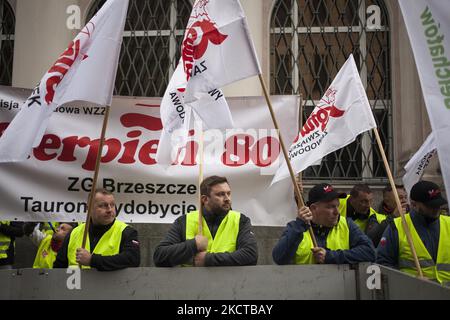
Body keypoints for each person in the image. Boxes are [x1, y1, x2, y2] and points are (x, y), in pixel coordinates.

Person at [153, 175, 258, 267]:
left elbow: (251, 255)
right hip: (190, 287)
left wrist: (208, 260)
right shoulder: (184, 221)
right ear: (205, 199)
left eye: (228, 193)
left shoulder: (240, 221)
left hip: (230, 287)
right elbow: (159, 257)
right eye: (220, 194)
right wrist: (193, 245)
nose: (227, 199)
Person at [272, 183, 376, 265]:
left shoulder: (346, 224)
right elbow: (279, 258)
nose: (337, 212)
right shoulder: (297, 228)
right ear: (313, 208)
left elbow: (370, 252)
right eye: (330, 207)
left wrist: (330, 256)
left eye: (337, 206)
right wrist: (299, 226)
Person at [377, 180, 450, 285]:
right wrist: (412, 281)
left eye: (438, 204)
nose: (436, 209)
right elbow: (383, 265)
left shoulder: (448, 223)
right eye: (430, 205)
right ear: (414, 205)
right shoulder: (397, 227)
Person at [53, 189, 140, 271]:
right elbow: (58, 268)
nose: (109, 210)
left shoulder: (126, 232)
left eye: (112, 205)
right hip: (77, 286)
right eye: (102, 205)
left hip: (110, 287)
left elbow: (132, 259)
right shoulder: (74, 233)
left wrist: (92, 260)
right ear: (88, 208)